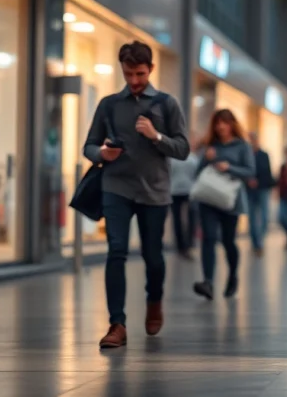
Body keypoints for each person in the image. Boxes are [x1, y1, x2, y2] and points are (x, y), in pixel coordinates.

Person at [83, 41, 190, 349]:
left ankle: (154, 300)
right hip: (116, 186)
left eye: (140, 74)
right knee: (115, 251)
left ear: (151, 69)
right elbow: (88, 145)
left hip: (154, 191)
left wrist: (156, 136)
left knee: (153, 257)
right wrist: (102, 153)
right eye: (128, 73)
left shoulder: (167, 104)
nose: (133, 81)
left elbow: (183, 149)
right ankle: (117, 324)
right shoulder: (109, 104)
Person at [193, 110, 255, 301]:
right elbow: (197, 173)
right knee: (209, 238)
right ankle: (208, 282)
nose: (221, 127)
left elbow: (250, 171)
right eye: (217, 123)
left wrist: (229, 167)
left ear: (232, 124)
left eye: (225, 123)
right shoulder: (210, 145)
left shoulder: (242, 146)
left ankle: (233, 276)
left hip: (230, 200)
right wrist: (206, 158)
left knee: (228, 241)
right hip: (209, 198)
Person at [169, 136, 202, 259]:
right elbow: (197, 174)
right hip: (189, 190)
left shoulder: (171, 159)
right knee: (191, 218)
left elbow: (168, 173)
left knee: (177, 219)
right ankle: (188, 244)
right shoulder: (193, 159)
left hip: (175, 191)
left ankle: (180, 246)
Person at [246, 133, 276, 256]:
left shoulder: (264, 155)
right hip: (250, 190)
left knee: (264, 217)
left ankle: (260, 241)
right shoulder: (247, 155)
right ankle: (256, 242)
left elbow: (268, 173)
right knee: (252, 218)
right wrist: (249, 180)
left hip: (263, 189)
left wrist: (259, 181)